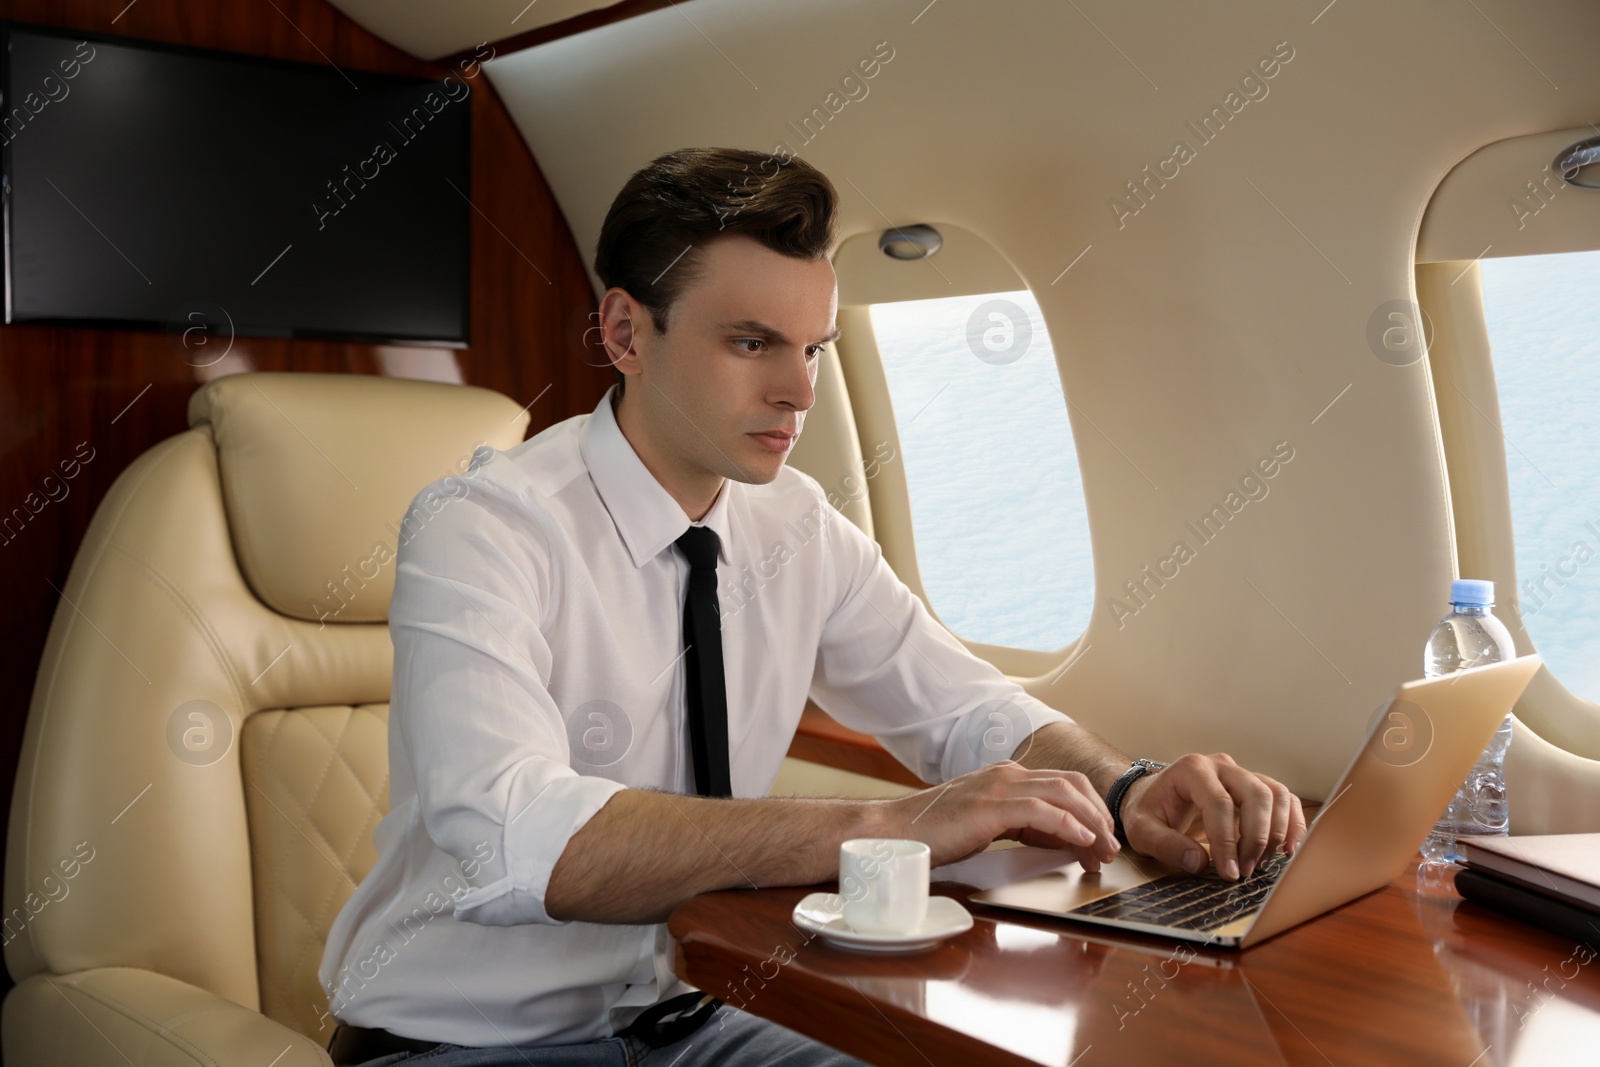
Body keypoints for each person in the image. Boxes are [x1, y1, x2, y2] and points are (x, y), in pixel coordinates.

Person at [317, 146, 1307, 1067]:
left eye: (815, 347)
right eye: (751, 342)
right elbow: (516, 836)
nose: (798, 390)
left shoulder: (795, 523)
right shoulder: (482, 526)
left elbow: (965, 709)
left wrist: (1128, 787)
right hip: (463, 1042)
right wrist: (898, 819)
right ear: (625, 332)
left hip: (702, 1017)